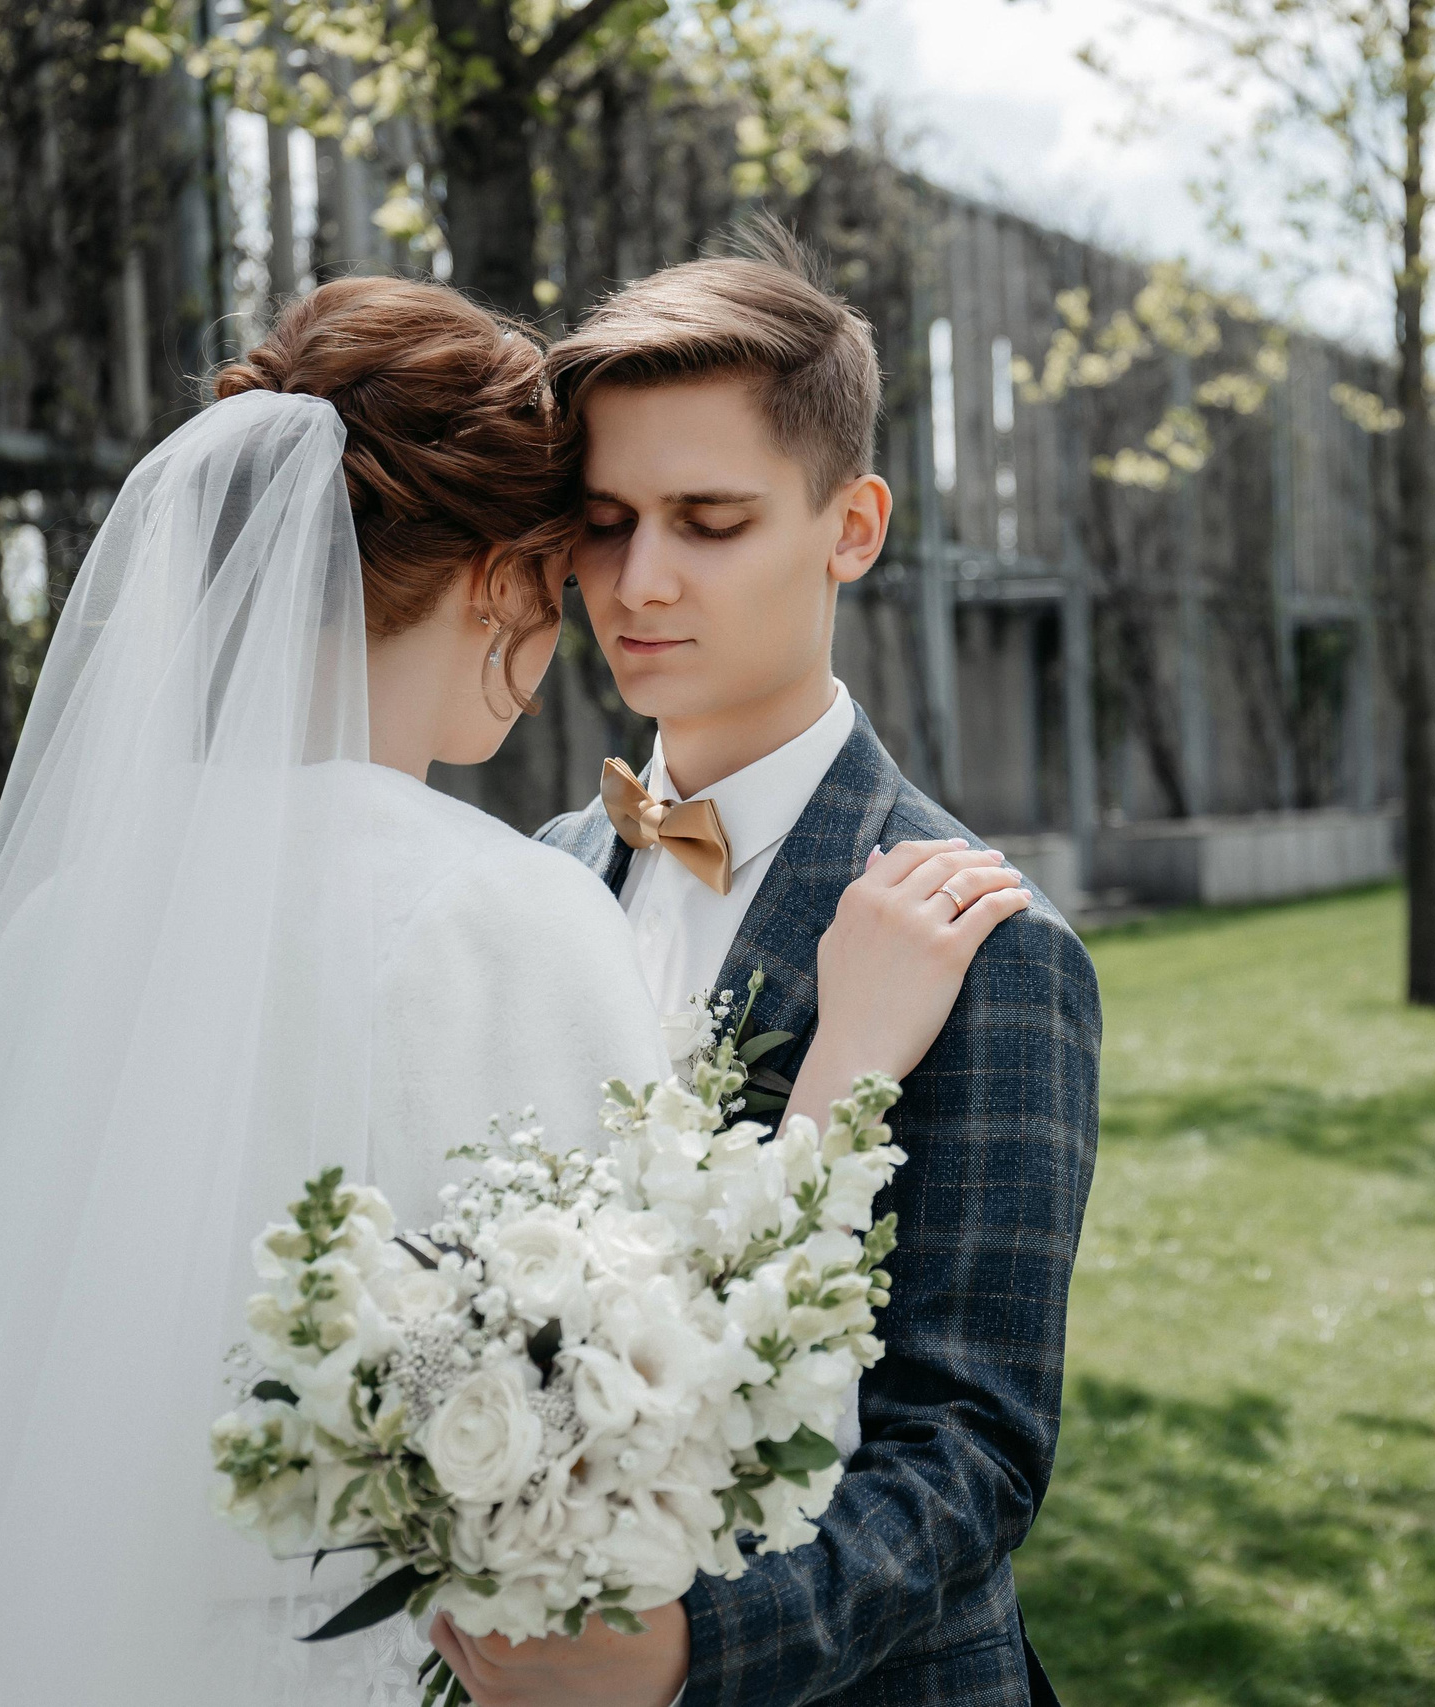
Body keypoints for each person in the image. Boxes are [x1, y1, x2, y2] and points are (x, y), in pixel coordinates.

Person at [0, 278, 1026, 1706]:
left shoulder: (67, 920)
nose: (604, 611)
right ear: (497, 578)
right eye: (573, 563)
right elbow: (641, 1408)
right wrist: (842, 1079)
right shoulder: (505, 902)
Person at [451, 220, 1101, 1707]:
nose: (640, 581)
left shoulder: (993, 953)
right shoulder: (546, 873)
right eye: (607, 522)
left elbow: (972, 1447)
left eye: (711, 519)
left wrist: (688, 1652)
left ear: (851, 528)